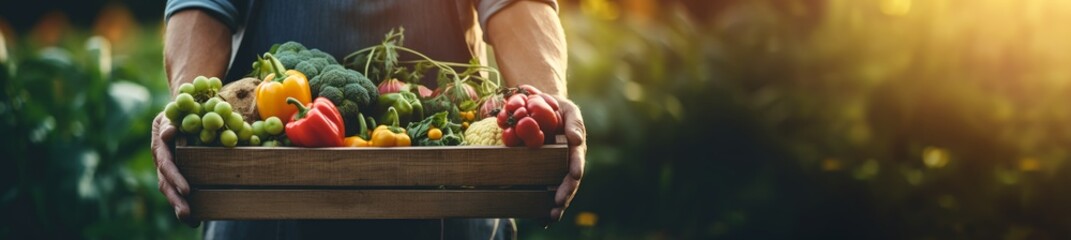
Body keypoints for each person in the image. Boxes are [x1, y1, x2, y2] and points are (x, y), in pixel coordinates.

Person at [150, 0, 587, 239]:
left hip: (448, 205)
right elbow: (201, 4)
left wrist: (541, 99)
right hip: (262, 208)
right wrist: (194, 98)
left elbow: (516, 3)